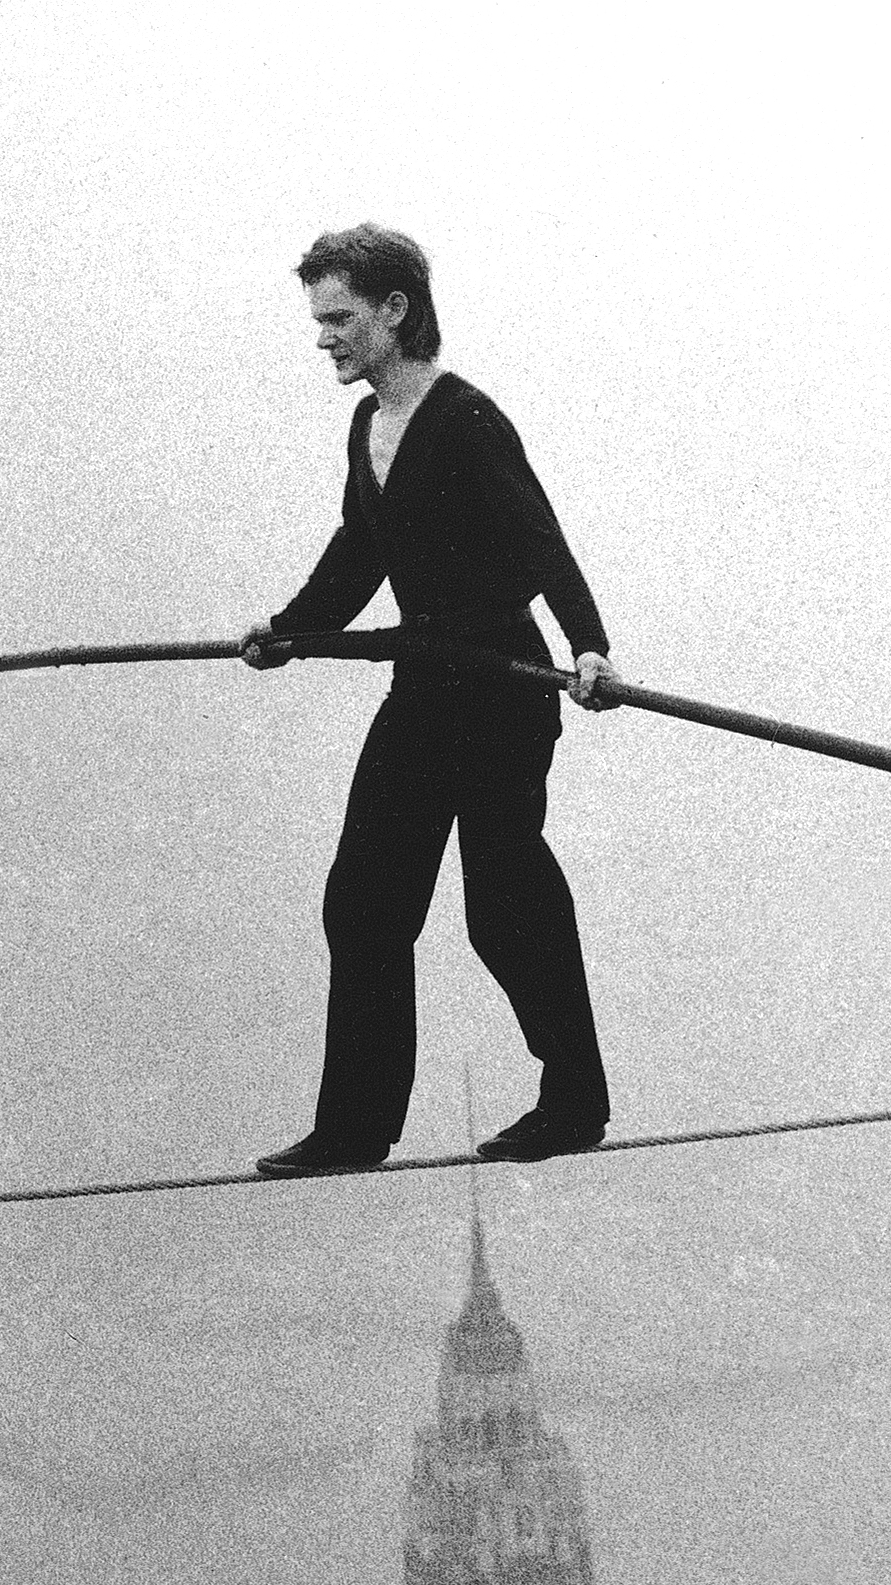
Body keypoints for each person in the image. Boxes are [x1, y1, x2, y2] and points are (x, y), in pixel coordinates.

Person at [245, 224, 619, 1177]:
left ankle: (574, 1101)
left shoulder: (467, 420)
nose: (322, 338)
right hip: (422, 690)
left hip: (499, 689)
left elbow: (541, 541)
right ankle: (355, 1128)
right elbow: (359, 553)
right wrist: (288, 630)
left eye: (337, 318)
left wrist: (590, 648)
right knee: (364, 904)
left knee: (503, 904)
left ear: (394, 311)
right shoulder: (368, 425)